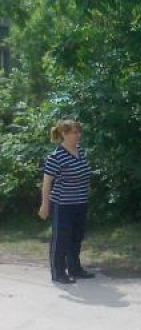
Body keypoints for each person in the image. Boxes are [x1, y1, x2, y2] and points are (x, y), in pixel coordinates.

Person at [38, 119, 94, 284]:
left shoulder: (80, 151)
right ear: (64, 134)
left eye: (79, 132)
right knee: (61, 238)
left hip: (80, 201)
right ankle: (58, 272)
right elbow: (47, 182)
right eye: (74, 132)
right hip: (62, 203)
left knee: (76, 237)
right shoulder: (57, 156)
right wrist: (45, 204)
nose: (78, 135)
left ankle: (75, 268)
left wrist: (87, 186)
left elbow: (85, 172)